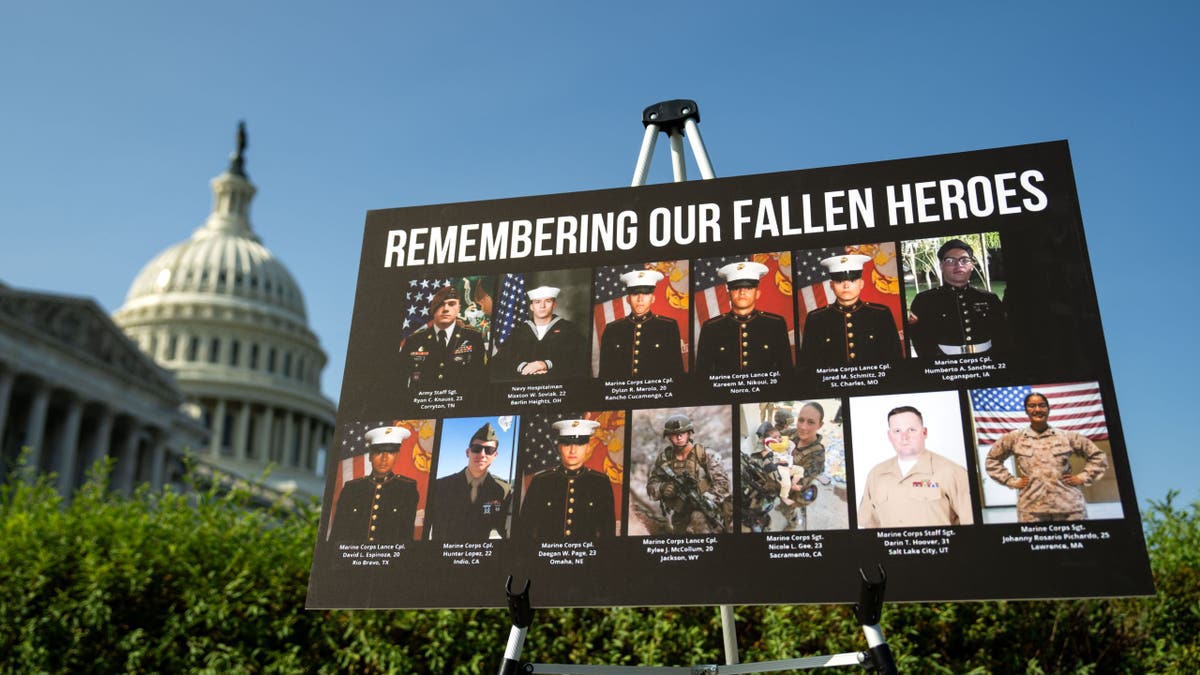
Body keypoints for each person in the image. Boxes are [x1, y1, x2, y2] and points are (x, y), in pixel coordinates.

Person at [985, 392, 1109, 522]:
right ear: (1026, 410)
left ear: (1048, 409)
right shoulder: (1015, 438)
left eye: (1042, 405)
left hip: (1069, 509)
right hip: (1031, 510)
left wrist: (1082, 477)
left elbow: (1098, 457)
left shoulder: (1067, 436)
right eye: (1032, 406)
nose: (1037, 410)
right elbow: (992, 460)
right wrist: (1011, 481)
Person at [857, 406, 974, 529]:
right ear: (889, 436)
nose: (904, 437)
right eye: (897, 431)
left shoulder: (953, 472)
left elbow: (972, 525)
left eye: (911, 430)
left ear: (924, 432)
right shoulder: (876, 474)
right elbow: (870, 527)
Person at [907, 239, 1010, 358]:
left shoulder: (989, 298)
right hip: (944, 363)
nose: (958, 265)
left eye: (964, 260)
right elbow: (918, 337)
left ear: (971, 265)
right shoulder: (924, 301)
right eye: (950, 261)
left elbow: (1003, 335)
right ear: (941, 266)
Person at [798, 254, 901, 368]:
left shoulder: (881, 314)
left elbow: (894, 360)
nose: (846, 285)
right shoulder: (816, 319)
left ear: (861, 284)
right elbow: (808, 364)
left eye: (852, 280)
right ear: (831, 285)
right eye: (839, 281)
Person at [520, 419, 615, 540]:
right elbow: (525, 530)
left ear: (587, 447)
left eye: (580, 444)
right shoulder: (541, 482)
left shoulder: (600, 483)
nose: (573, 450)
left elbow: (607, 533)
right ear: (559, 447)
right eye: (566, 443)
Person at [694, 261, 792, 376]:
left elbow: (786, 371)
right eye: (736, 288)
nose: (742, 292)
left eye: (749, 288)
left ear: (757, 293)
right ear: (729, 294)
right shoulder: (711, 328)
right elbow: (703, 375)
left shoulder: (775, 324)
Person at [329, 425, 420, 544]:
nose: (384, 459)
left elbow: (405, 538)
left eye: (390, 452)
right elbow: (336, 535)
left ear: (397, 456)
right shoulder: (351, 489)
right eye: (378, 452)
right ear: (370, 456)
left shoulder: (406, 489)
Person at [646, 413, 731, 534]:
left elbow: (723, 483)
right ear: (669, 437)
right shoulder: (664, 458)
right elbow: (651, 485)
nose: (679, 437)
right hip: (680, 515)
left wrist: (708, 499)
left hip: (707, 510)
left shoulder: (705, 454)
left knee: (698, 519)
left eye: (683, 433)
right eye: (674, 434)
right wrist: (662, 488)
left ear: (689, 433)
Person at [427, 422, 511, 540]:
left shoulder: (502, 490)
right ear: (468, 452)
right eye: (477, 448)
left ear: (495, 455)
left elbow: (506, 531)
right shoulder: (440, 486)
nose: (482, 454)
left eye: (489, 450)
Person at [598, 269, 685, 379]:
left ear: (653, 298)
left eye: (645, 294)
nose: (640, 299)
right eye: (635, 294)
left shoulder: (668, 327)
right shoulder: (612, 329)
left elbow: (676, 372)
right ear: (628, 299)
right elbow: (605, 374)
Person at [400, 285, 487, 390]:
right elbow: (400, 380)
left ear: (459, 308)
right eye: (441, 304)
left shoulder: (474, 339)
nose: (446, 309)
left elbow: (481, 381)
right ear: (433, 308)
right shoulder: (413, 341)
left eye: (451, 304)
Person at [493, 286, 587, 381]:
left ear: (554, 305)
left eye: (548, 301)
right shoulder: (519, 331)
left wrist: (545, 364)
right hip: (523, 386)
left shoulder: (568, 329)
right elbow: (501, 359)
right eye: (537, 302)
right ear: (532, 307)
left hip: (556, 384)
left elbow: (580, 357)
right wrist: (523, 366)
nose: (542, 306)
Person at [741, 421, 784, 532]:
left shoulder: (781, 455)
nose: (779, 439)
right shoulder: (758, 459)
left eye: (780, 437)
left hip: (768, 497)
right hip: (756, 498)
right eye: (775, 437)